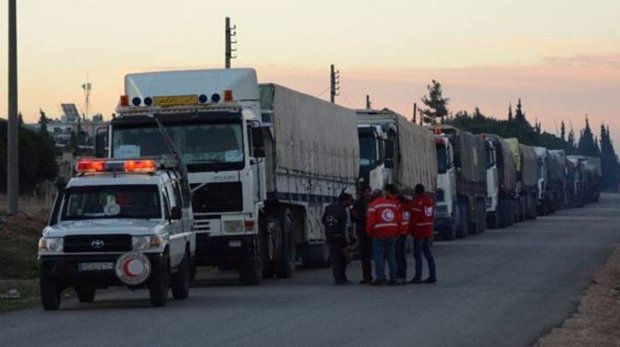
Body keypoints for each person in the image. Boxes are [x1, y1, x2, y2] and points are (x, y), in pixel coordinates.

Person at [366, 184, 400, 285]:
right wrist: (397, 232)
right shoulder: (392, 204)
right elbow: (398, 219)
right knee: (391, 257)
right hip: (392, 233)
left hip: (378, 235)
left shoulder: (373, 206)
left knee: (379, 257)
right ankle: (393, 278)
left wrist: (370, 233)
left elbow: (370, 222)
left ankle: (380, 277)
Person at [322, 192, 354, 285]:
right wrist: (347, 240)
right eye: (349, 200)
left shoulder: (330, 207)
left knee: (335, 257)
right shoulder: (343, 211)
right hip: (339, 236)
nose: (350, 203)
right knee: (342, 258)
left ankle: (338, 277)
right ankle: (341, 277)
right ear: (345, 201)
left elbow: (323, 220)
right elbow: (343, 227)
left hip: (330, 235)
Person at [409, 184, 437, 284]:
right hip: (428, 229)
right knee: (428, 253)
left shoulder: (417, 203)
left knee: (417, 254)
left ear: (415, 192)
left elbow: (413, 219)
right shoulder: (429, 200)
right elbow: (432, 215)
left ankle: (418, 276)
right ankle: (432, 275)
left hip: (419, 230)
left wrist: (411, 231)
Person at [352, 185, 374, 283]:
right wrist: (363, 216)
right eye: (366, 192)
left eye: (368, 192)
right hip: (363, 231)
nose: (367, 194)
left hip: (373, 231)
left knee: (375, 255)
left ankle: (380, 275)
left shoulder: (373, 202)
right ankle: (367, 276)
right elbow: (355, 216)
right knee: (365, 256)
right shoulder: (358, 203)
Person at [395, 194, 412, 284]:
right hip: (405, 232)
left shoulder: (399, 207)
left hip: (399, 232)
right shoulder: (408, 207)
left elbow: (397, 219)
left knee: (398, 255)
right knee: (402, 255)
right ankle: (403, 275)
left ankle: (399, 275)